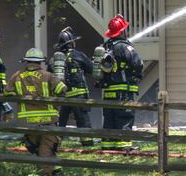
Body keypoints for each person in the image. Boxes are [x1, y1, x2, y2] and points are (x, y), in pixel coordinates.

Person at [5, 47, 67, 176]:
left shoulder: (17, 76)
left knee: (37, 148)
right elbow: (62, 89)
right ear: (40, 62)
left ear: (26, 61)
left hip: (27, 122)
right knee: (47, 150)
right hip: (48, 121)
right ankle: (49, 172)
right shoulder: (48, 76)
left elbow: (8, 92)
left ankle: (54, 169)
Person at [97, 14, 143, 151]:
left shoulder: (105, 46)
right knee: (124, 116)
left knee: (109, 118)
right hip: (123, 91)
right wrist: (136, 75)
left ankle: (107, 145)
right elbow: (138, 63)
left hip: (108, 91)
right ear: (122, 31)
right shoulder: (123, 46)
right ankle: (124, 146)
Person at [51, 26, 94, 146]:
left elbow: (50, 74)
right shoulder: (78, 55)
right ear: (71, 43)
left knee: (60, 122)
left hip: (62, 97)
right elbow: (91, 69)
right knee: (83, 121)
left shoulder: (55, 59)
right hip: (78, 96)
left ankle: (55, 143)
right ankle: (87, 145)